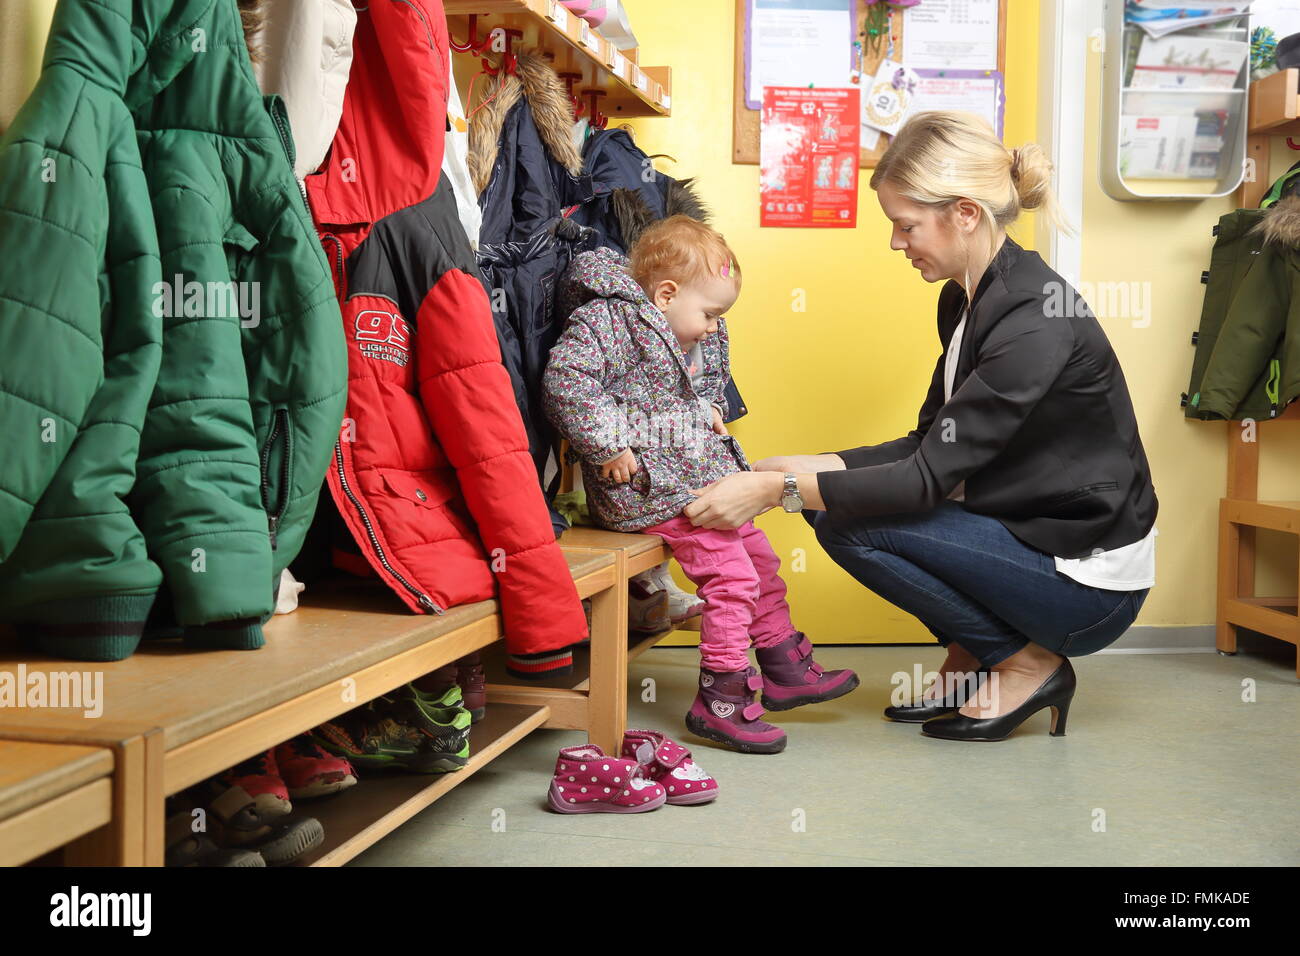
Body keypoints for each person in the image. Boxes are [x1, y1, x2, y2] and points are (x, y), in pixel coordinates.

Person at [683, 111, 1158, 742]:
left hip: (1087, 584)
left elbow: (928, 478)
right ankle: (980, 648)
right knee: (832, 503)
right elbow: (931, 444)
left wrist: (778, 492)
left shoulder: (1034, 318)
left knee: (849, 521)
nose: (895, 243)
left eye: (906, 226)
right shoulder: (968, 296)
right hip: (1033, 537)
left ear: (964, 213)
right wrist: (811, 463)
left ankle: (1024, 661)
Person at [543, 216, 859, 755]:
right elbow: (566, 381)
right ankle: (722, 697)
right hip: (645, 486)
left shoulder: (688, 323)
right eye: (710, 315)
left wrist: (708, 407)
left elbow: (693, 380)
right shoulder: (607, 322)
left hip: (693, 476)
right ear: (666, 294)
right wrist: (610, 446)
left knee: (758, 559)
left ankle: (781, 660)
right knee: (732, 578)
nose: (713, 327)